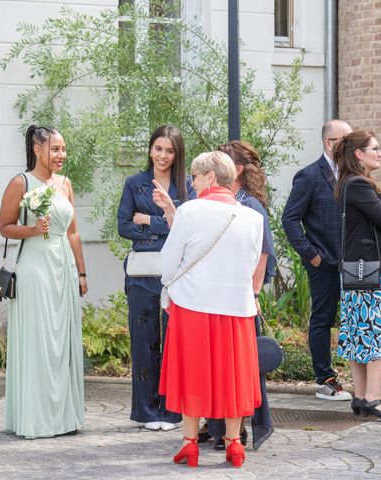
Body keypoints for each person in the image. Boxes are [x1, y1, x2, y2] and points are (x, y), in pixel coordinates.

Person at [157, 151, 263, 468]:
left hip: (193, 304)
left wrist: (169, 284)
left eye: (194, 176)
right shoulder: (253, 217)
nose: (192, 181)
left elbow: (169, 261)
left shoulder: (189, 212)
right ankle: (234, 443)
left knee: (193, 372)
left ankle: (190, 443)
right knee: (234, 376)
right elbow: (251, 262)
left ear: (210, 177)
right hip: (236, 306)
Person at [0, 125, 87, 438]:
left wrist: (81, 271)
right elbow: (5, 227)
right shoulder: (20, 182)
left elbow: (74, 231)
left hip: (63, 265)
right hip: (34, 267)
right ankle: (36, 417)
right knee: (39, 339)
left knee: (63, 340)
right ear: (37, 149)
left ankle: (65, 416)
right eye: (55, 149)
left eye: (63, 149)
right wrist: (33, 229)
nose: (61, 155)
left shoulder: (65, 184)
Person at [198, 140, 277, 450]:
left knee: (239, 368)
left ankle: (238, 429)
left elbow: (263, 253)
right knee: (217, 365)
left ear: (237, 170)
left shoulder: (250, 206)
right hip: (215, 296)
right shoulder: (215, 202)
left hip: (240, 299)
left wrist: (253, 292)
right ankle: (216, 424)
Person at [117, 125, 193, 431]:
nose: (162, 155)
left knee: (175, 343)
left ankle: (172, 411)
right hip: (141, 274)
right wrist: (167, 223)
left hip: (175, 274)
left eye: (169, 150)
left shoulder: (186, 186)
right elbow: (123, 226)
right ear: (150, 149)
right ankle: (147, 412)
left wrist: (149, 220)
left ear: (177, 154)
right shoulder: (134, 184)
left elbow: (187, 227)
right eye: (158, 148)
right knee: (143, 341)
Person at [282, 119, 353, 401]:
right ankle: (325, 379)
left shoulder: (352, 175)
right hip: (323, 263)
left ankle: (369, 376)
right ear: (330, 142)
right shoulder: (309, 176)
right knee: (323, 319)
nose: (351, 145)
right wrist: (311, 255)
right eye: (345, 140)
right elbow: (290, 219)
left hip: (353, 263)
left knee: (356, 319)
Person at [333, 129, 381, 420]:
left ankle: (362, 396)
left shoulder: (348, 183)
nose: (380, 153)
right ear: (359, 155)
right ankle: (373, 398)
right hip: (373, 273)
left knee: (358, 333)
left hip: (357, 271)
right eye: (375, 148)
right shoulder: (359, 186)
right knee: (378, 332)